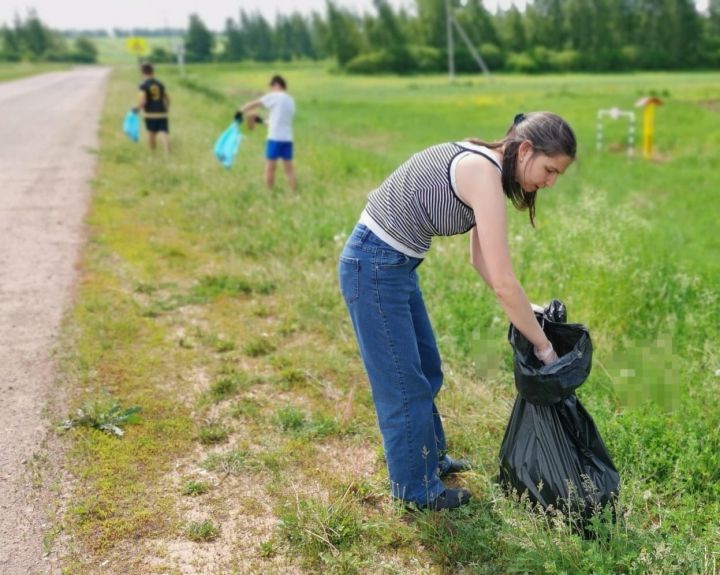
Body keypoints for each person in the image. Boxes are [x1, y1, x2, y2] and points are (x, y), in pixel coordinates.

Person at [338, 112, 576, 511]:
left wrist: (528, 310)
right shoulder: (482, 173)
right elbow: (502, 280)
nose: (550, 182)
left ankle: (428, 459)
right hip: (374, 265)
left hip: (392, 265)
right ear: (527, 149)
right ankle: (413, 489)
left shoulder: (488, 170)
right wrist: (544, 347)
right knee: (402, 384)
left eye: (558, 176)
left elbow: (482, 262)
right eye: (550, 170)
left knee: (427, 368)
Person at [236, 75, 296, 191]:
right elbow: (278, 121)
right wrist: (261, 121)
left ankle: (269, 194)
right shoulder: (290, 100)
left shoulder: (275, 96)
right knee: (289, 169)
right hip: (287, 139)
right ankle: (293, 193)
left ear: (277, 84)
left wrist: (239, 112)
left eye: (271, 86)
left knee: (270, 168)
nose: (270, 89)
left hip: (274, 139)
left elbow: (254, 104)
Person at [135, 63, 170, 154]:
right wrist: (167, 108)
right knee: (164, 132)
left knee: (151, 133)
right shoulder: (160, 84)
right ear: (153, 71)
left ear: (142, 72)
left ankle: (152, 152)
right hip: (162, 112)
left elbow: (143, 101)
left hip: (150, 113)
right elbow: (167, 98)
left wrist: (137, 108)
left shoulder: (143, 86)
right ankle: (167, 152)